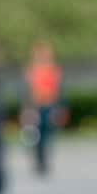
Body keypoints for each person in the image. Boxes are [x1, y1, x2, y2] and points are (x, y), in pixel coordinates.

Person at [22, 40, 63, 176]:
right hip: (36, 107)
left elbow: (57, 90)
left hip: (48, 105)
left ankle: (44, 162)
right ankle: (38, 161)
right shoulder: (32, 69)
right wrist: (27, 109)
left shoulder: (53, 69)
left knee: (46, 136)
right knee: (35, 136)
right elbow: (28, 91)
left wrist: (57, 108)